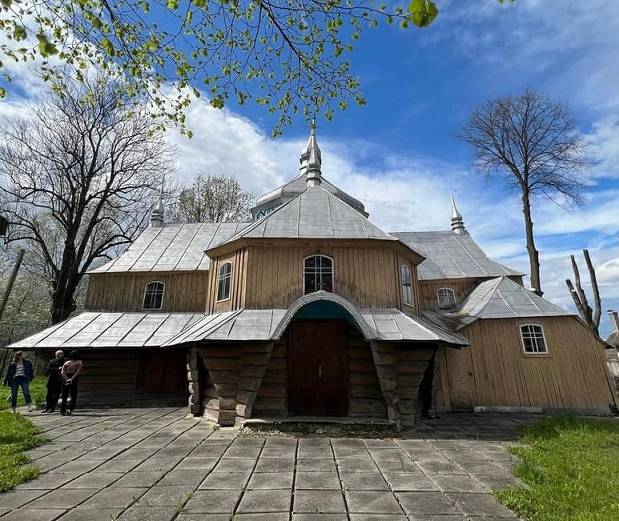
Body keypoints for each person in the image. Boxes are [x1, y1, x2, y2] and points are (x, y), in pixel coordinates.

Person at [60, 351, 83, 415]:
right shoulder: (69, 362)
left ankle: (67, 410)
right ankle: (66, 410)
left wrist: (69, 379)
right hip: (69, 377)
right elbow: (63, 372)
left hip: (69, 377)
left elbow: (77, 371)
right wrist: (69, 379)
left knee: (70, 394)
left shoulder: (77, 362)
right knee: (68, 395)